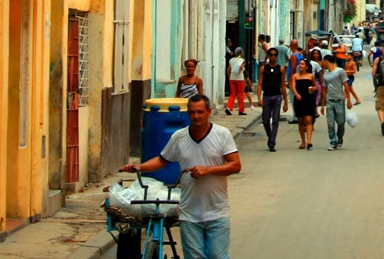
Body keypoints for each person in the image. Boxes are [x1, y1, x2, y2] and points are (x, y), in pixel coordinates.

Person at [120, 94, 241, 259]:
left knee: (218, 256)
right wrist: (139, 167)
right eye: (192, 112)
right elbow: (162, 160)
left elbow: (235, 165)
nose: (196, 116)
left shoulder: (222, 134)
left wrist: (208, 170)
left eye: (200, 112)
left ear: (209, 112)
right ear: (187, 114)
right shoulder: (179, 137)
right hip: (189, 214)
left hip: (217, 212)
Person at [319, 54, 354, 150]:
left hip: (339, 100)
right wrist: (323, 105)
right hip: (329, 101)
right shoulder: (325, 74)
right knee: (330, 123)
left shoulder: (340, 71)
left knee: (341, 122)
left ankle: (340, 137)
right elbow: (324, 90)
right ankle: (333, 142)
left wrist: (349, 100)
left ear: (326, 61)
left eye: (323, 62)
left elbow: (346, 86)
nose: (322, 64)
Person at [257, 47, 289, 152]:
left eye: (275, 55)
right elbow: (260, 84)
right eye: (271, 54)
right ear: (268, 56)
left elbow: (283, 85)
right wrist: (259, 97)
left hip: (277, 97)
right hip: (266, 96)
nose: (273, 57)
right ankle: (270, 136)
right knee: (265, 120)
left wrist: (286, 102)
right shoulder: (263, 68)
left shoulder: (281, 69)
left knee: (275, 120)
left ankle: (272, 142)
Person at [291, 59, 318, 149]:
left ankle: (309, 141)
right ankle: (303, 141)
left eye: (302, 64)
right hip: (299, 99)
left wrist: (313, 89)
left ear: (306, 67)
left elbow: (315, 86)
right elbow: (293, 87)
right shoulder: (295, 76)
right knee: (301, 121)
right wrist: (297, 94)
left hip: (309, 99)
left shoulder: (311, 76)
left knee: (309, 119)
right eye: (300, 64)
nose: (300, 65)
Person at [225, 48, 246, 115]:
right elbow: (241, 69)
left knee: (232, 94)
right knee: (240, 94)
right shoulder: (242, 60)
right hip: (240, 79)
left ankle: (229, 107)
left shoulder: (231, 60)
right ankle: (241, 110)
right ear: (240, 53)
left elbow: (228, 70)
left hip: (232, 78)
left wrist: (229, 77)